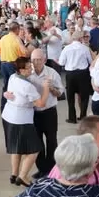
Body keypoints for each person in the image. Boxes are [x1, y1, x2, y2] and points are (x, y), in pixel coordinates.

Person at [2, 56, 50, 186]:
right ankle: (22, 176)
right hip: (21, 120)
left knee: (16, 148)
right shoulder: (27, 86)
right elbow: (40, 104)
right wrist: (46, 88)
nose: (31, 70)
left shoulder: (13, 77)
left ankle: (14, 174)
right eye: (28, 68)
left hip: (9, 116)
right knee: (35, 149)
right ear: (21, 70)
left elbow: (8, 92)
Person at [28, 49, 64, 177]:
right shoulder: (28, 73)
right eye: (33, 60)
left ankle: (51, 168)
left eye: (39, 59)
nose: (36, 62)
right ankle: (42, 169)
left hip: (49, 111)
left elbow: (60, 93)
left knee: (51, 140)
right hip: (33, 112)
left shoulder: (52, 73)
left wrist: (51, 88)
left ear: (44, 60)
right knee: (37, 141)